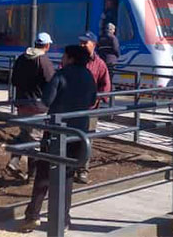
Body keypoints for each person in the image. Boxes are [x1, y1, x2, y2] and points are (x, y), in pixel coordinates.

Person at [20, 45, 97, 233]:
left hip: (56, 132)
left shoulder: (61, 75)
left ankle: (33, 216)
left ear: (70, 58)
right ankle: (63, 218)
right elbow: (92, 100)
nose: (61, 58)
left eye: (64, 55)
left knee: (44, 174)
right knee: (68, 176)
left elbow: (46, 102)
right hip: (79, 132)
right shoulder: (88, 76)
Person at [6, 32, 56, 182]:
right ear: (47, 45)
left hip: (22, 103)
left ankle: (14, 161)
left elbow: (14, 80)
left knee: (24, 133)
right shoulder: (44, 61)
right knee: (35, 140)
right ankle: (32, 177)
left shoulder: (21, 58)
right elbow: (52, 83)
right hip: (38, 106)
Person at [75, 31, 111, 184]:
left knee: (87, 138)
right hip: (73, 107)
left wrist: (99, 98)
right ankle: (70, 165)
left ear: (94, 45)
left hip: (90, 109)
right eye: (81, 42)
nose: (82, 45)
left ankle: (83, 170)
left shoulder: (100, 64)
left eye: (85, 42)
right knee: (71, 137)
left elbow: (106, 84)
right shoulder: (73, 59)